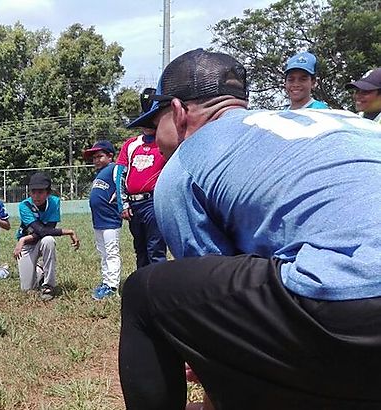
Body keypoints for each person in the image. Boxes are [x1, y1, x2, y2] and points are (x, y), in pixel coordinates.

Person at [119, 48, 381, 409]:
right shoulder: (338, 122)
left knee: (142, 293)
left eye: (154, 124)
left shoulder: (186, 162)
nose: (153, 139)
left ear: (178, 112)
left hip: (355, 302)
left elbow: (213, 323)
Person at [115, 89, 167, 269]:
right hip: (133, 205)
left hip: (154, 202)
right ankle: (143, 288)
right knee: (141, 249)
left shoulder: (164, 143)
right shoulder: (131, 144)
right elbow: (120, 174)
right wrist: (123, 204)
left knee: (156, 248)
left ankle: (159, 288)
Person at [14, 172, 79, 301]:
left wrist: (24, 239)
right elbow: (41, 230)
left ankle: (48, 285)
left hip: (38, 240)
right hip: (27, 246)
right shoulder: (25, 205)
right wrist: (69, 232)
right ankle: (40, 270)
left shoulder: (54, 202)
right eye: (33, 192)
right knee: (27, 289)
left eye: (41, 192)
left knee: (48, 240)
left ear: (48, 193)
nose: (36, 196)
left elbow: (46, 231)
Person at [83, 141, 121, 300]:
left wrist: (120, 199)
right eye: (94, 158)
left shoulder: (114, 169)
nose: (96, 160)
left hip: (110, 220)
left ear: (110, 156)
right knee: (103, 253)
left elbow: (122, 185)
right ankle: (106, 281)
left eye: (100, 156)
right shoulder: (99, 173)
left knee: (111, 252)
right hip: (98, 221)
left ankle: (112, 286)